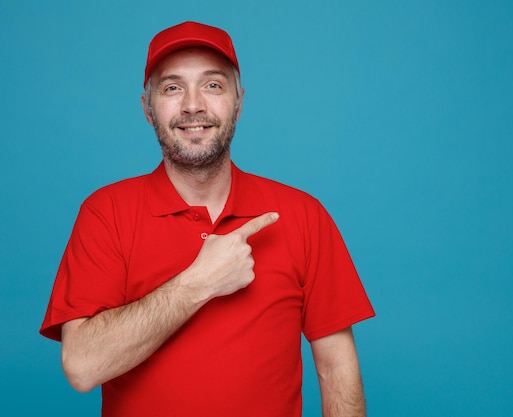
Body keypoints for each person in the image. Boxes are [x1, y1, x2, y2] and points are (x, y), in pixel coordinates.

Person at [40, 21, 374, 417]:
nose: (193, 105)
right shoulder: (105, 213)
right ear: (148, 109)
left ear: (239, 102)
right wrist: (199, 282)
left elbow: (336, 368)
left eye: (213, 85)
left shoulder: (304, 216)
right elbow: (81, 366)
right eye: (172, 87)